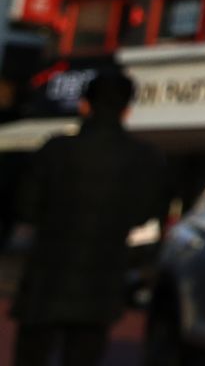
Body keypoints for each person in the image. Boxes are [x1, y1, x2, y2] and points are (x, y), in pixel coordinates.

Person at [11, 69, 164, 366]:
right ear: (127, 109)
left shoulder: (55, 151)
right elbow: (145, 213)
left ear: (85, 105)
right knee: (84, 353)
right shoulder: (144, 159)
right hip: (102, 277)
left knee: (32, 352)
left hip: (48, 273)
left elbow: (25, 206)